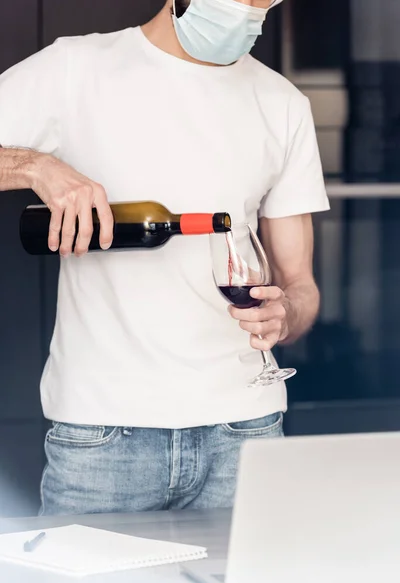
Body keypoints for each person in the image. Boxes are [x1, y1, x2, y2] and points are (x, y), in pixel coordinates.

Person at [0, 0, 329, 515]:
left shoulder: (282, 102)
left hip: (245, 433)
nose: (250, 11)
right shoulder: (76, 68)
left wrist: (285, 313)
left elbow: (301, 289)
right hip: (104, 437)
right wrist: (35, 166)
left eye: (263, 2)